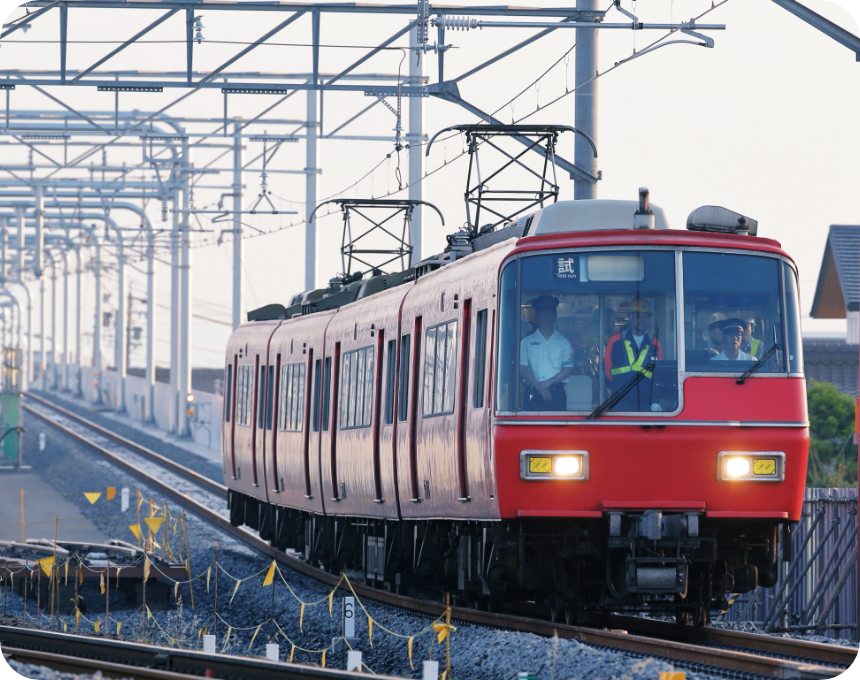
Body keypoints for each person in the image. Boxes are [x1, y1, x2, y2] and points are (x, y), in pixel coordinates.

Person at [519, 295, 574, 410]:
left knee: (559, 428)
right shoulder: (526, 342)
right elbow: (522, 369)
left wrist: (548, 383)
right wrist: (539, 387)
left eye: (550, 313)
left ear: (555, 316)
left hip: (557, 393)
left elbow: (567, 369)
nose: (547, 316)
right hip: (532, 392)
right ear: (537, 316)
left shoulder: (564, 343)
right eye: (543, 313)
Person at [608, 299, 663, 411]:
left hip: (645, 400)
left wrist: (655, 400)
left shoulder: (655, 343)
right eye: (638, 316)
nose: (642, 320)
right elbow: (607, 368)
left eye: (645, 316)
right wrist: (613, 387)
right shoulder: (615, 339)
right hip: (620, 398)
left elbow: (659, 374)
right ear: (630, 317)